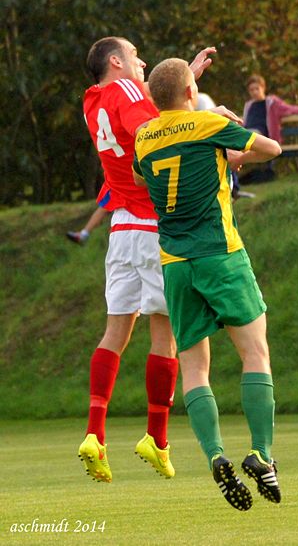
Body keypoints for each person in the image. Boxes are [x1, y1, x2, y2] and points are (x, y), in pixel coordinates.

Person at [133, 58, 283, 510]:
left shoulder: (144, 135)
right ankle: (262, 453)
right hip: (221, 253)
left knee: (194, 367)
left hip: (175, 264)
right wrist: (223, 131)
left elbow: (145, 173)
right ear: (189, 93)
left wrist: (219, 154)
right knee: (254, 352)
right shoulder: (206, 124)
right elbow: (272, 148)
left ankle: (215, 454)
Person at [77, 36, 216, 483]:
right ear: (116, 62)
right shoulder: (128, 90)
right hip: (154, 224)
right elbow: (159, 131)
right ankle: (156, 440)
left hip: (120, 228)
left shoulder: (93, 100)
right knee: (165, 334)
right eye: (135, 56)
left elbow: (145, 121)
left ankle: (95, 434)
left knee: (114, 332)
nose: (142, 62)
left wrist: (186, 79)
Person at [240, 74, 298, 183]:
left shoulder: (271, 103)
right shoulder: (249, 105)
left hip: (262, 136)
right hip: (247, 134)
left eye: (256, 89)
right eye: (251, 90)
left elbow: (289, 109)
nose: (254, 92)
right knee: (231, 142)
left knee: (245, 138)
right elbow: (244, 122)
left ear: (263, 88)